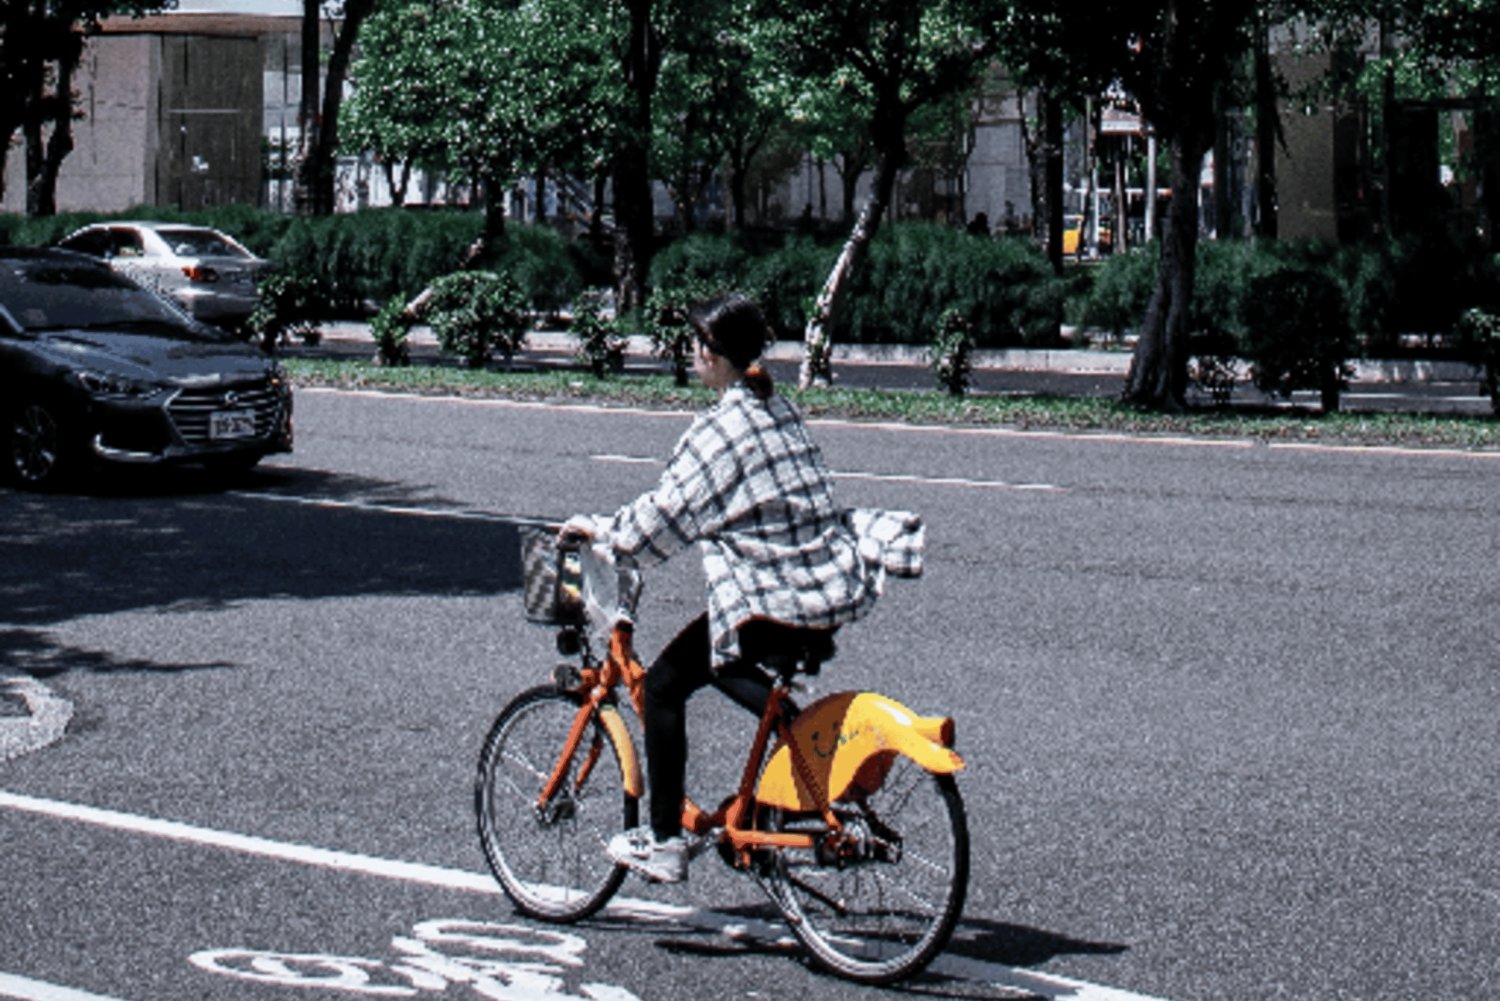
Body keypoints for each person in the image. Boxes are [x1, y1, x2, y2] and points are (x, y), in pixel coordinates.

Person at [563, 293, 921, 883]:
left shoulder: (724, 429)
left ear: (712, 353)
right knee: (727, 664)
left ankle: (665, 843)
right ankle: (804, 751)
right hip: (821, 584)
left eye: (696, 345)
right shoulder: (774, 405)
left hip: (771, 597)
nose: (692, 355)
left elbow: (665, 519)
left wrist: (604, 534)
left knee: (663, 689)